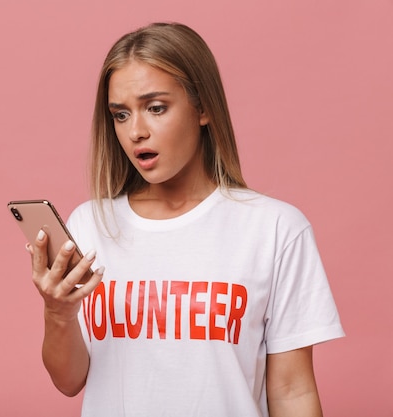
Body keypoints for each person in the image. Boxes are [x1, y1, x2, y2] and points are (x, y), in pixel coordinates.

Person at [26, 22, 344, 417]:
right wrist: (58, 313)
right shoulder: (91, 224)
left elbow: (293, 391)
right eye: (121, 115)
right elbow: (69, 380)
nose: (136, 132)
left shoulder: (276, 228)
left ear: (204, 108)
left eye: (156, 108)